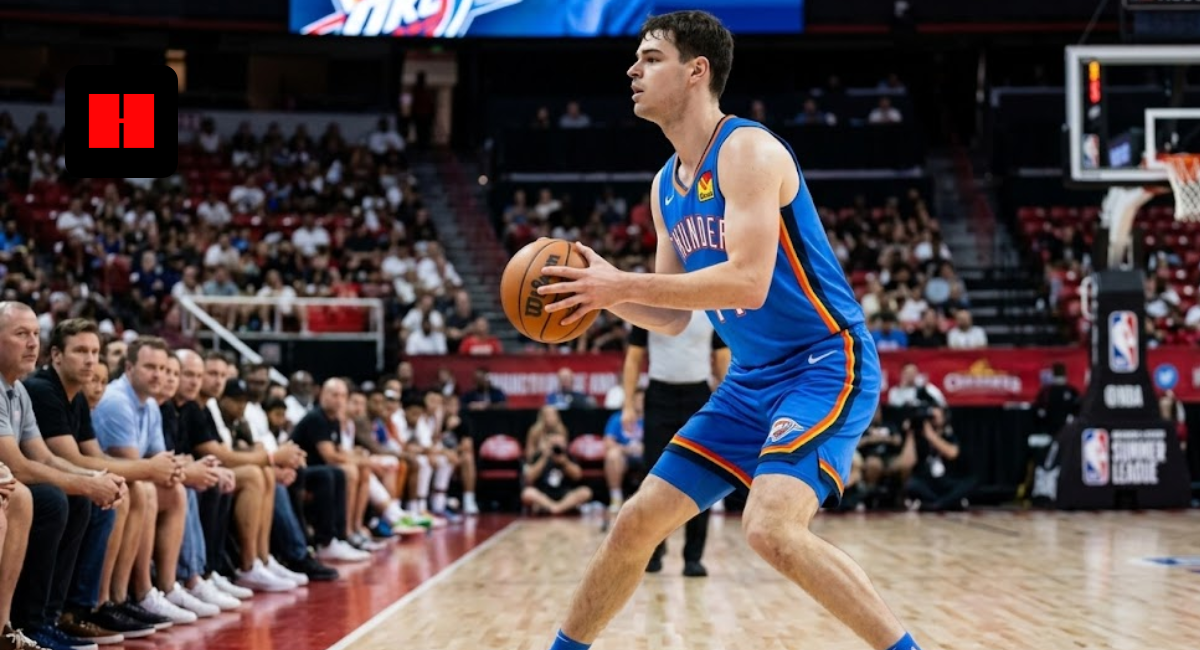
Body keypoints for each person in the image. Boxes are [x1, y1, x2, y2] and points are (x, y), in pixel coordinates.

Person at [536, 11, 922, 650]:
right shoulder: (666, 186)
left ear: (696, 71)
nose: (633, 70)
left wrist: (619, 284)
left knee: (770, 527)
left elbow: (748, 283)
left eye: (651, 58)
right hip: (749, 382)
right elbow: (670, 316)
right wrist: (600, 297)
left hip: (826, 362)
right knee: (636, 523)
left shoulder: (747, 149)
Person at [621, 312, 729, 578]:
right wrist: (627, 405)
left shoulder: (711, 308)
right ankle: (653, 551)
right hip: (659, 396)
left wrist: (728, 401)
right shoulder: (648, 305)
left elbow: (722, 357)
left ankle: (693, 557)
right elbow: (634, 358)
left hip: (699, 396)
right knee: (653, 477)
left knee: (699, 477)